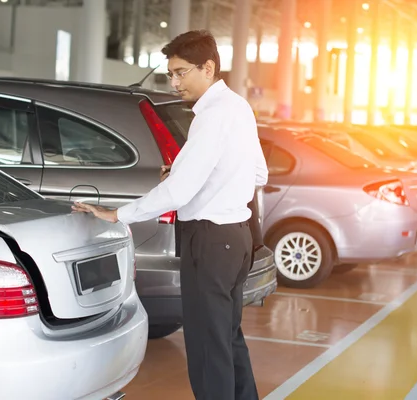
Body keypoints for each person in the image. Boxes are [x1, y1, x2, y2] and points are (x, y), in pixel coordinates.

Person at [72, 29, 268, 400]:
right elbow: (259, 174)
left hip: (210, 241)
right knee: (227, 338)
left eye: (181, 73)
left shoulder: (210, 116)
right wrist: (190, 174)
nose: (175, 82)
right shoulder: (239, 106)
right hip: (237, 239)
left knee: (208, 349)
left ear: (207, 67)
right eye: (170, 75)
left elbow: (178, 192)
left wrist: (118, 214)